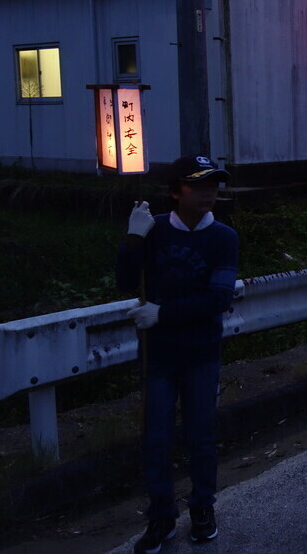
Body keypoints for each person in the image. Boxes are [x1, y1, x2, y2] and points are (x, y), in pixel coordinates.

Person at [118, 155, 239, 554]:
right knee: (156, 438)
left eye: (214, 184)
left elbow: (219, 297)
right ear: (175, 191)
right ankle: (161, 516)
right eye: (198, 184)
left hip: (202, 352)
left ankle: (202, 508)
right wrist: (134, 237)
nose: (209, 192)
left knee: (201, 437)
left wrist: (163, 313)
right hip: (158, 356)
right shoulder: (154, 233)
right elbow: (124, 282)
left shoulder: (223, 237)